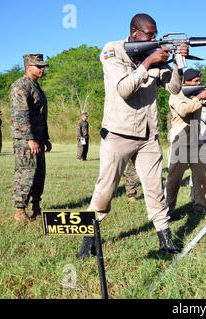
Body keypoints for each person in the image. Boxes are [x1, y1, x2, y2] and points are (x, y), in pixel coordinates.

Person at [77, 13, 188, 258]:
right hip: (118, 133)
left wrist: (178, 62)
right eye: (150, 35)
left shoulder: (155, 54)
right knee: (105, 191)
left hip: (148, 135)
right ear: (135, 33)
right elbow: (124, 89)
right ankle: (87, 243)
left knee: (154, 190)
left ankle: (165, 240)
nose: (154, 38)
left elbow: (174, 88)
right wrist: (148, 63)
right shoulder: (113, 50)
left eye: (156, 34)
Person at [9, 54, 52, 224]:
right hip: (26, 140)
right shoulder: (20, 86)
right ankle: (20, 211)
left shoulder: (36, 87)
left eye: (43, 66)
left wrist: (45, 138)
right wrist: (29, 139)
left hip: (38, 139)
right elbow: (20, 115)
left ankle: (36, 207)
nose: (42, 69)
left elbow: (41, 116)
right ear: (28, 67)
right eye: (39, 66)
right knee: (26, 174)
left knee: (39, 174)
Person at [166, 69, 206, 219]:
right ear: (187, 81)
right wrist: (199, 98)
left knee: (202, 176)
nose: (198, 83)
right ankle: (168, 210)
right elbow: (184, 110)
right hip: (180, 141)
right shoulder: (176, 95)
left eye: (199, 81)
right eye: (196, 81)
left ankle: (200, 207)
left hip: (196, 140)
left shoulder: (195, 95)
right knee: (174, 178)